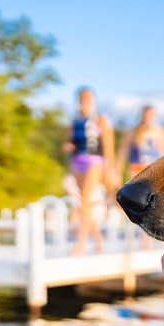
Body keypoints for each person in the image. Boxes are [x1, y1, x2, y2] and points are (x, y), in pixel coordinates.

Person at [64, 87, 115, 256]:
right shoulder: (74, 120)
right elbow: (72, 142)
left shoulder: (100, 119)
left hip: (95, 162)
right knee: (81, 205)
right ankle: (97, 239)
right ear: (78, 100)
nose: (85, 101)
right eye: (82, 98)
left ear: (93, 100)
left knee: (85, 202)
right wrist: (68, 146)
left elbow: (108, 145)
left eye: (88, 98)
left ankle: (80, 244)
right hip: (77, 163)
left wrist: (110, 169)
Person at [114, 104, 164, 183]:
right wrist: (117, 172)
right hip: (136, 171)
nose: (147, 117)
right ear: (141, 115)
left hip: (154, 172)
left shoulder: (160, 133)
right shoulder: (131, 132)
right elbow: (122, 153)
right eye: (146, 114)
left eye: (150, 115)